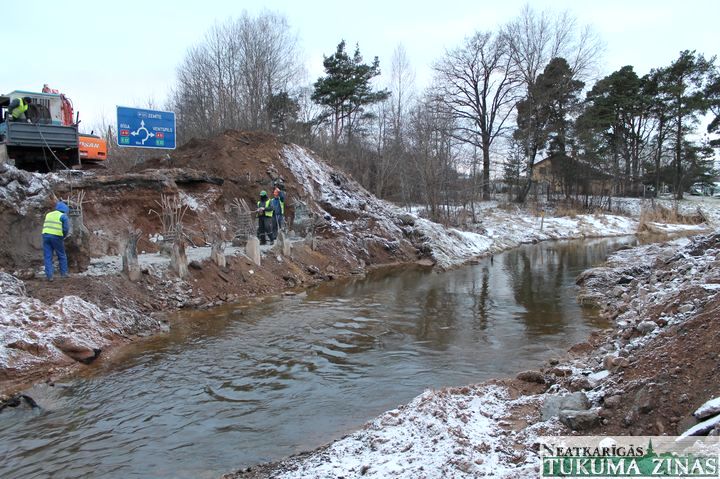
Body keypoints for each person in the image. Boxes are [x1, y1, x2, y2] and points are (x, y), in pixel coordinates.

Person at [42, 201, 70, 281]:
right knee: (61, 255)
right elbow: (65, 229)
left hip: (45, 235)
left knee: (48, 256)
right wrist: (63, 236)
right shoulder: (63, 216)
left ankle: (49, 276)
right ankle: (64, 274)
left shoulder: (49, 214)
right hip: (56, 237)